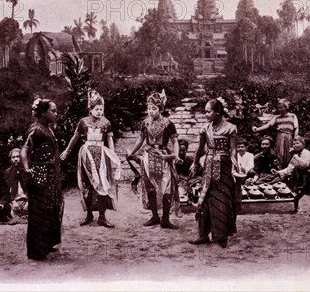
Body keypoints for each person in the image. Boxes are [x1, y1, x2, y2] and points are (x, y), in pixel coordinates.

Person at [60, 90, 121, 228]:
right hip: (87, 155)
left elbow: (110, 140)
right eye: (97, 109)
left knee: (103, 184)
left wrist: (112, 155)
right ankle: (88, 215)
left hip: (102, 155)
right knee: (88, 185)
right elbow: (75, 137)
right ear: (90, 109)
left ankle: (102, 216)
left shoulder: (106, 123)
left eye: (101, 109)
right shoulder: (83, 122)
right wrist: (67, 151)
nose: (99, 112)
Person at [189, 98, 238, 248]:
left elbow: (233, 149)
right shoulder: (205, 128)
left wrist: (235, 165)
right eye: (205, 111)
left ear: (218, 112)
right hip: (209, 165)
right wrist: (195, 163)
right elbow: (199, 148)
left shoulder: (230, 128)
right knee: (204, 198)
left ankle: (221, 236)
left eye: (208, 111)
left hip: (223, 167)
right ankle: (203, 234)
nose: (206, 114)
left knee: (221, 199)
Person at [127, 90, 179, 229]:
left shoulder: (168, 123)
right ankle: (155, 216)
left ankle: (166, 219)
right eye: (149, 108)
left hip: (163, 156)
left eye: (154, 108)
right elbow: (140, 139)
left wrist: (175, 155)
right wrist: (132, 152)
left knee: (166, 186)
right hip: (148, 155)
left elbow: (175, 141)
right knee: (149, 186)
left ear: (161, 109)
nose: (150, 111)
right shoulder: (145, 123)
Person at [21, 98, 64, 260]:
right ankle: (36, 251)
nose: (56, 114)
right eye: (53, 111)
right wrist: (26, 168)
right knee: (39, 210)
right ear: (43, 112)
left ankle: (47, 243)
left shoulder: (47, 128)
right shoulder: (35, 130)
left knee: (50, 208)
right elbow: (24, 149)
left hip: (50, 175)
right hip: (39, 175)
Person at [252, 98, 299, 167]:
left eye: (281, 107)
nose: (279, 109)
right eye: (278, 108)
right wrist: (257, 129)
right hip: (280, 137)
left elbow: (296, 128)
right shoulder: (276, 117)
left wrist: (295, 140)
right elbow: (268, 125)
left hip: (289, 137)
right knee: (279, 154)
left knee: (289, 154)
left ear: (286, 107)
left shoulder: (292, 116)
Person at [4, 148, 29, 218]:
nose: (15, 159)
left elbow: (33, 190)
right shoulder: (7, 172)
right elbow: (6, 191)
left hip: (27, 201)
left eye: (18, 157)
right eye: (13, 157)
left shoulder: (27, 171)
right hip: (14, 202)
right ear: (10, 159)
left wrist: (28, 202)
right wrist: (12, 201)